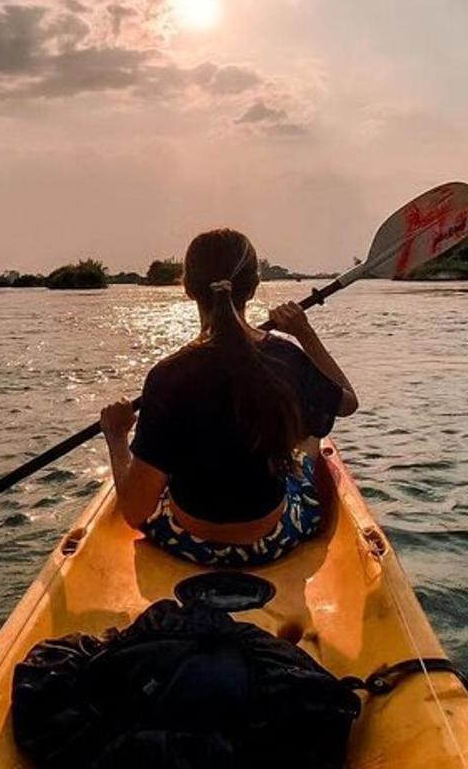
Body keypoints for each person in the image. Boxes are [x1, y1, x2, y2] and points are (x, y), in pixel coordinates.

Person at [99, 228, 358, 566]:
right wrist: (304, 333)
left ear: (188, 288)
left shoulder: (167, 376)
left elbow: (134, 512)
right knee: (312, 435)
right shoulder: (285, 356)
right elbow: (347, 402)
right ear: (253, 286)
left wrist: (117, 438)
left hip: (188, 541)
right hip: (275, 538)